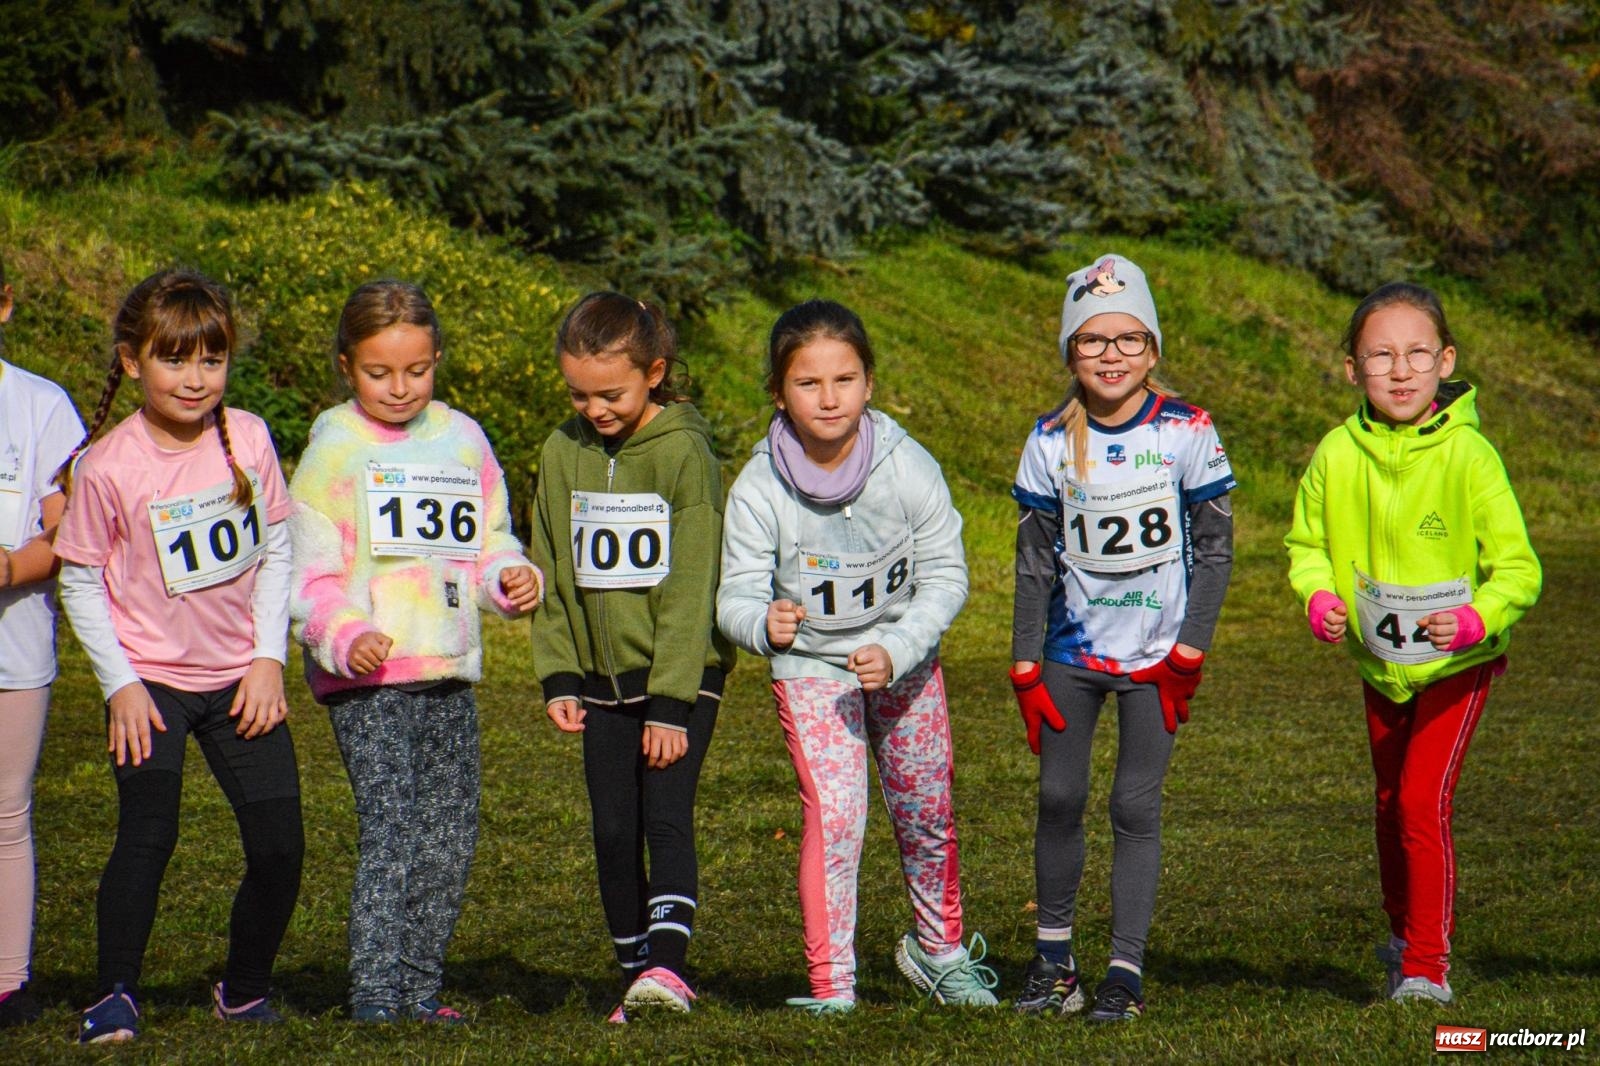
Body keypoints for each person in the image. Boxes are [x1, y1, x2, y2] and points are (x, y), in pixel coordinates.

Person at [718, 298, 998, 1014]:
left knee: (926, 811)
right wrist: (764, 623)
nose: (829, 397)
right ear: (779, 393)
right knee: (837, 818)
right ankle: (832, 986)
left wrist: (899, 648)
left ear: (869, 383)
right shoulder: (758, 487)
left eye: (844, 379)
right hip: (813, 672)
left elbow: (947, 575)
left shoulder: (909, 467)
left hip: (905, 666)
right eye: (808, 384)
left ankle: (938, 955)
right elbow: (735, 597)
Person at [53, 269, 304, 1043]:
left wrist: (268, 659)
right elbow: (81, 580)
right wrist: (121, 685)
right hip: (151, 683)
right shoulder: (107, 466)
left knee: (280, 845)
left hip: (240, 681)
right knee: (148, 835)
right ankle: (114, 995)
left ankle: (245, 987)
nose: (196, 380)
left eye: (212, 360)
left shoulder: (250, 437)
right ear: (132, 362)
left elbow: (278, 549)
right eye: (175, 360)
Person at [289, 280, 540, 1024]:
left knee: (450, 838)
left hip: (449, 673)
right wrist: (344, 635)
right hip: (370, 683)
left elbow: (490, 540)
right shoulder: (331, 452)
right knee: (392, 831)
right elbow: (307, 578)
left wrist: (510, 578)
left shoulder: (464, 438)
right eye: (379, 373)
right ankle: (374, 996)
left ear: (437, 360)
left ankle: (420, 989)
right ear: (345, 366)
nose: (399, 388)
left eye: (416, 370)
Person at [1286, 281, 1540, 1005]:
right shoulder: (1335, 454)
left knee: (1422, 802)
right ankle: (1401, 936)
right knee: (1391, 798)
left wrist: (1474, 618)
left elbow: (1518, 569)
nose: (1400, 371)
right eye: (1381, 356)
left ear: (1446, 360)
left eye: (1417, 354)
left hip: (1459, 663)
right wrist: (1321, 597)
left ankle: (1428, 968)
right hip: (1381, 663)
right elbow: (1306, 544)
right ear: (1351, 368)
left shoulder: (1472, 456)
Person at [1009, 254, 1234, 1023]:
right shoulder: (1045, 440)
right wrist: (1023, 662)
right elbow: (1034, 561)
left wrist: (1190, 653)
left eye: (1129, 339)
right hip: (1072, 655)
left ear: (1153, 349)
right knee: (1059, 797)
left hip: (1156, 657)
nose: (1111, 354)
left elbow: (1215, 549)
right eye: (1093, 340)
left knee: (1135, 806)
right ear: (1070, 352)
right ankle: (1053, 963)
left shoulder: (1187, 431)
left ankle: (1124, 972)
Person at [531, 292, 734, 1022]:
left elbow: (691, 585)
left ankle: (669, 970)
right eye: (578, 395)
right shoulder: (561, 451)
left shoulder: (685, 453)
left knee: (664, 818)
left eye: (610, 393)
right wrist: (558, 673)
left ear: (655, 371)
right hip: (598, 684)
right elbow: (551, 564)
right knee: (612, 830)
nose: (595, 409)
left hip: (679, 679)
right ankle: (635, 976)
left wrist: (673, 703)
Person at [0, 258, 86, 1028]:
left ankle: (8, 981)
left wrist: (10, 565)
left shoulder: (40, 406)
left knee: (6, 813)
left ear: (4, 305)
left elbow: (69, 529)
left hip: (15, 650)